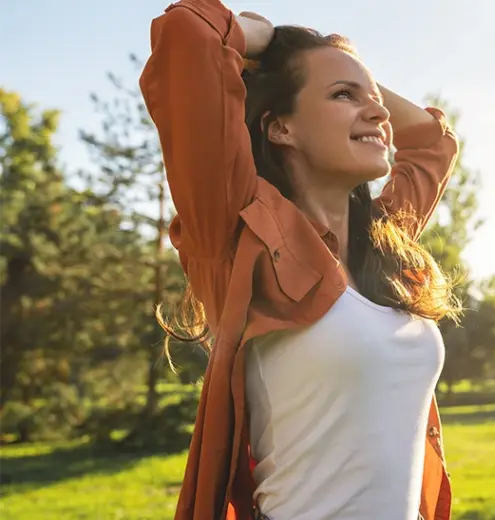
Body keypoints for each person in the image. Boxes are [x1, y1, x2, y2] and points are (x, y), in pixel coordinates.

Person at [140, 1, 461, 519]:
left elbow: (431, 141)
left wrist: (344, 69)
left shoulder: (382, 244)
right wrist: (268, 43)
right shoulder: (241, 238)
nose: (379, 113)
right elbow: (187, 32)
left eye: (375, 101)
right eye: (342, 97)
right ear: (280, 128)